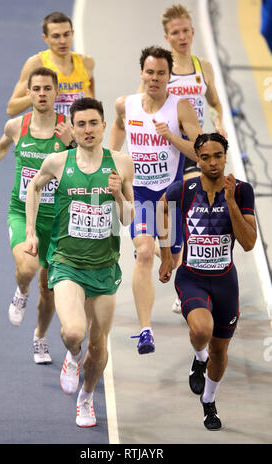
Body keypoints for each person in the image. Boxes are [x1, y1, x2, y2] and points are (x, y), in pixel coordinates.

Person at [25, 97, 134, 427]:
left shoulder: (121, 164)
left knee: (98, 347)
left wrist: (118, 194)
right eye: (81, 124)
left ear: (104, 126)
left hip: (104, 269)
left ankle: (86, 398)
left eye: (93, 123)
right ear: (72, 128)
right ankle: (72, 357)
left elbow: (129, 218)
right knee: (74, 333)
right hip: (67, 263)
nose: (88, 129)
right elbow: (33, 186)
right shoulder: (58, 162)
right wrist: (30, 231)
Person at [158, 133, 257, 430]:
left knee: (220, 351)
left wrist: (230, 203)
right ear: (197, 159)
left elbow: (249, 242)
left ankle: (208, 401)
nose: (212, 163)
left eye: (218, 156)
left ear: (225, 157)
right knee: (202, 330)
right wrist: (167, 255)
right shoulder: (185, 189)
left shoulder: (241, 191)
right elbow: (162, 208)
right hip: (192, 278)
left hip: (226, 281)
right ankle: (198, 357)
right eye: (205, 157)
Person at [110, 45, 202, 355]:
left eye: (161, 73)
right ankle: (145, 330)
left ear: (168, 76)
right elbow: (118, 132)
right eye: (150, 72)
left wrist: (172, 137)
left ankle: (172, 260)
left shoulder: (181, 108)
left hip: (171, 197)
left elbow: (200, 154)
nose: (155, 78)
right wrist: (110, 162)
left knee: (170, 261)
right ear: (142, 73)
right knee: (145, 253)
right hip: (142, 195)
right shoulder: (127, 104)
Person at [0, 67, 73, 364]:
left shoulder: (68, 128)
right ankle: (20, 291)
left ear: (57, 93)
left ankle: (40, 338)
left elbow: (84, 165)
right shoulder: (17, 126)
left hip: (57, 222)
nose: (42, 94)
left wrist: (71, 142)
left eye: (48, 88)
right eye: (37, 89)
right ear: (28, 93)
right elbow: (2, 146)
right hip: (22, 212)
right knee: (28, 270)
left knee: (49, 289)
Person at [162, 4, 228, 313]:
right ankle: (173, 260)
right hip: (177, 150)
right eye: (175, 32)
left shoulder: (204, 67)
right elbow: (145, 104)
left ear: (192, 31)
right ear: (167, 36)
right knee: (179, 216)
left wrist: (220, 123)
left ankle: (187, 284)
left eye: (186, 30)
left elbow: (215, 102)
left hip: (202, 149)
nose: (182, 36)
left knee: (199, 213)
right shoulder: (164, 69)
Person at [7, 11, 95, 118]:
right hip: (49, 131)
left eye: (66, 34)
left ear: (72, 34)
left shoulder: (87, 63)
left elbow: (92, 98)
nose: (62, 41)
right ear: (45, 38)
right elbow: (11, 109)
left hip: (77, 131)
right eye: (56, 36)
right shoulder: (36, 64)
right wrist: (39, 95)